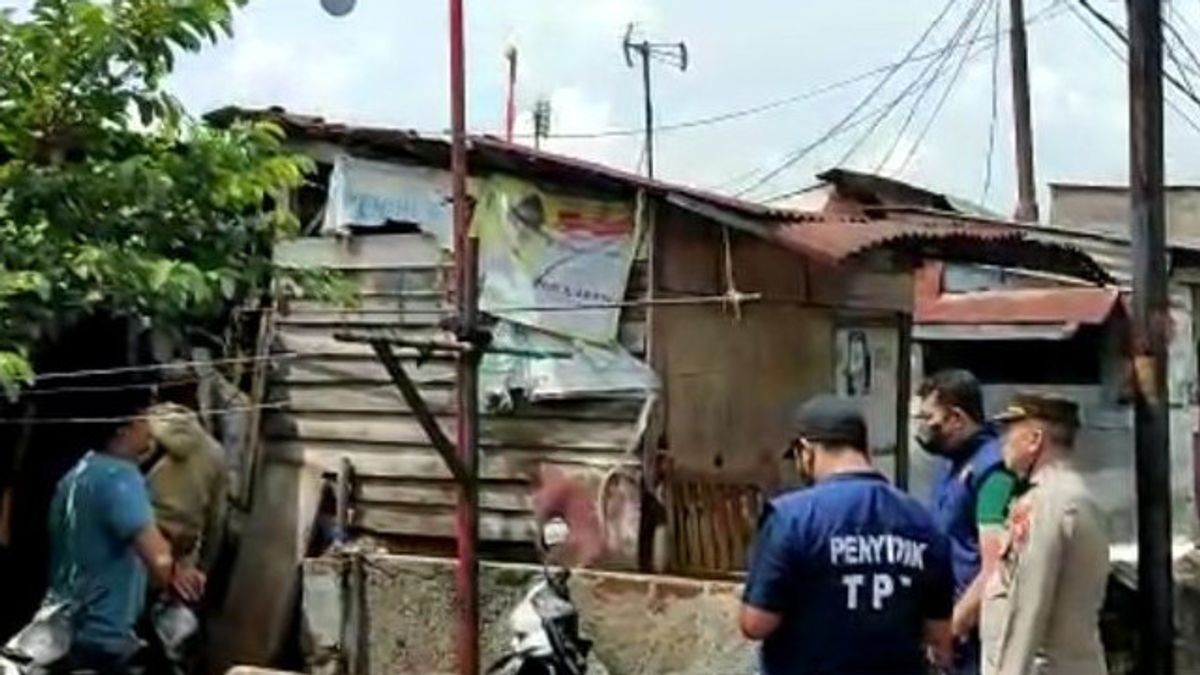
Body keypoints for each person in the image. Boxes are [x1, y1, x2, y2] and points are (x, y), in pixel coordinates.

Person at [740, 394, 954, 675]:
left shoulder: (790, 518)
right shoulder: (923, 522)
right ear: (863, 447)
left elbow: (756, 623)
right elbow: (938, 633)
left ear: (807, 450)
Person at [41, 390, 206, 673]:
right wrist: (176, 579)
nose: (149, 426)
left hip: (60, 627)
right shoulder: (122, 479)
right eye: (143, 417)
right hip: (105, 631)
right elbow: (158, 559)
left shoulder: (79, 472)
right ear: (123, 427)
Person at [980, 394, 1109, 675]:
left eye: (1009, 432)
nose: (1002, 443)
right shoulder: (1079, 496)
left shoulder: (1043, 503)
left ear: (1034, 439)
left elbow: (1027, 603)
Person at [916, 370, 1020, 674]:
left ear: (956, 418)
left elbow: (995, 567)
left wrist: (954, 626)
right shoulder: (950, 465)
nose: (923, 427)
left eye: (928, 417)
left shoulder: (993, 473)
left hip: (974, 635)